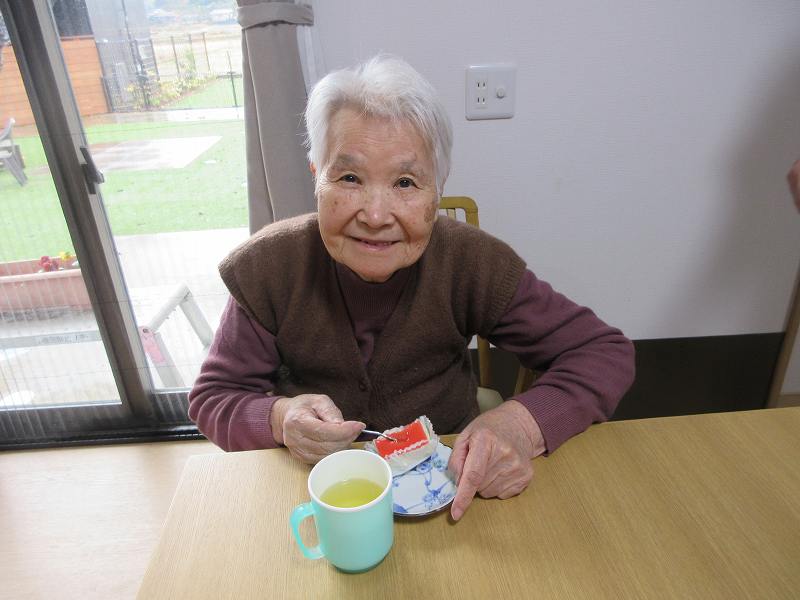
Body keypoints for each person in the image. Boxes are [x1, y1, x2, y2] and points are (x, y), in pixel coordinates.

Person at [189, 55, 635, 521]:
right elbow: (214, 397)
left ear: (436, 191)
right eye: (349, 178)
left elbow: (604, 353)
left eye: (405, 182)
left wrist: (520, 426)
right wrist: (280, 419)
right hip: (319, 495)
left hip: (456, 489)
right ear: (316, 176)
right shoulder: (268, 267)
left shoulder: (472, 262)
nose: (375, 215)